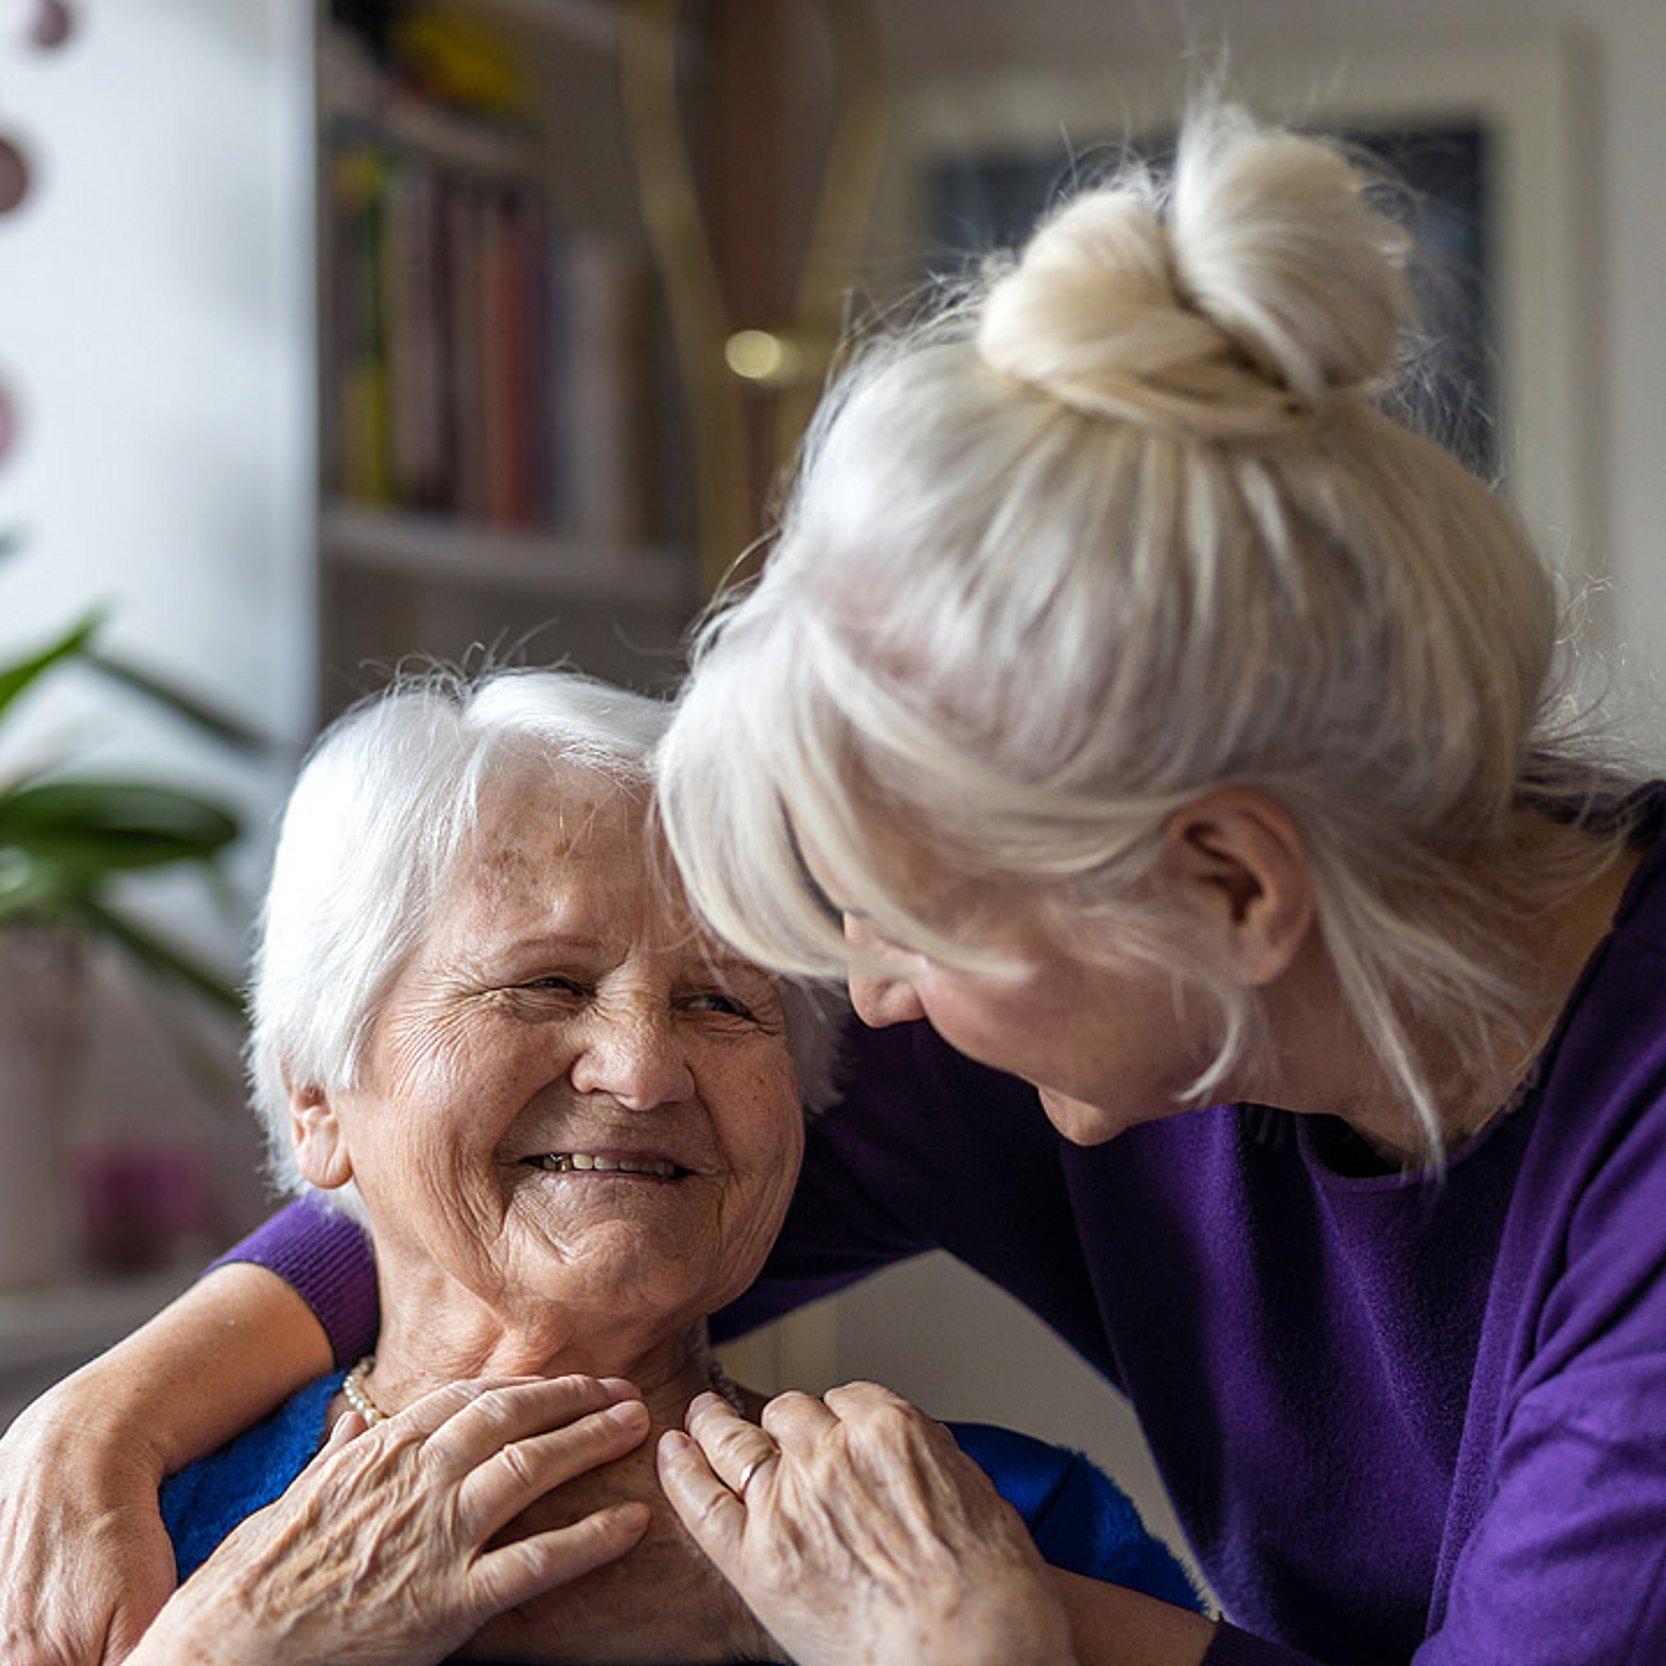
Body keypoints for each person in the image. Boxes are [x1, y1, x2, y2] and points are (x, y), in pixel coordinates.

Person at [4, 102, 1664, 1666]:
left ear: (1228, 888)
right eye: (545, 981)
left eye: (900, 917)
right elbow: (523, 1171)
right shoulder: (1081, 1007)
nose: (861, 1005)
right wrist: (117, 1415)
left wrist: (949, 1630)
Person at [77, 667, 1197, 1666]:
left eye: (719, 1002)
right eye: (546, 983)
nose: (645, 1068)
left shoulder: (1008, 1534)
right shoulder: (116, 1539)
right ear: (318, 1096)